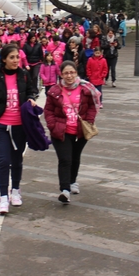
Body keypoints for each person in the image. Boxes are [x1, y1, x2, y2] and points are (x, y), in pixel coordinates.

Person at [0, 44, 38, 214]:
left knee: (16, 160)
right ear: (4, 59)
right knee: (3, 161)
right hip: (0, 125)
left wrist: (30, 98)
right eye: (12, 57)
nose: (16, 60)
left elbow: (32, 90)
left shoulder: (24, 75)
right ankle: (3, 197)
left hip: (19, 126)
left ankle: (15, 190)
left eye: (17, 57)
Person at [44, 60, 99, 204]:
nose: (69, 76)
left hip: (81, 129)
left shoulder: (86, 89)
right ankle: (65, 190)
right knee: (65, 159)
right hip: (61, 130)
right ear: (61, 74)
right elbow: (48, 110)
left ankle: (73, 181)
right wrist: (52, 125)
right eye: (66, 73)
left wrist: (90, 120)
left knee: (75, 157)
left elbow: (93, 106)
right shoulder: (54, 91)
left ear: (76, 73)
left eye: (72, 72)